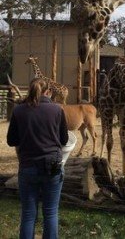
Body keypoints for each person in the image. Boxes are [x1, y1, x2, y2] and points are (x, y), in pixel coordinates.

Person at [7, 77, 69, 239]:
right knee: (50, 212)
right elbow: (64, 140)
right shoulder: (57, 110)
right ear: (48, 92)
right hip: (53, 167)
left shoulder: (18, 111)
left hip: (27, 166)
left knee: (28, 214)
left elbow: (11, 140)